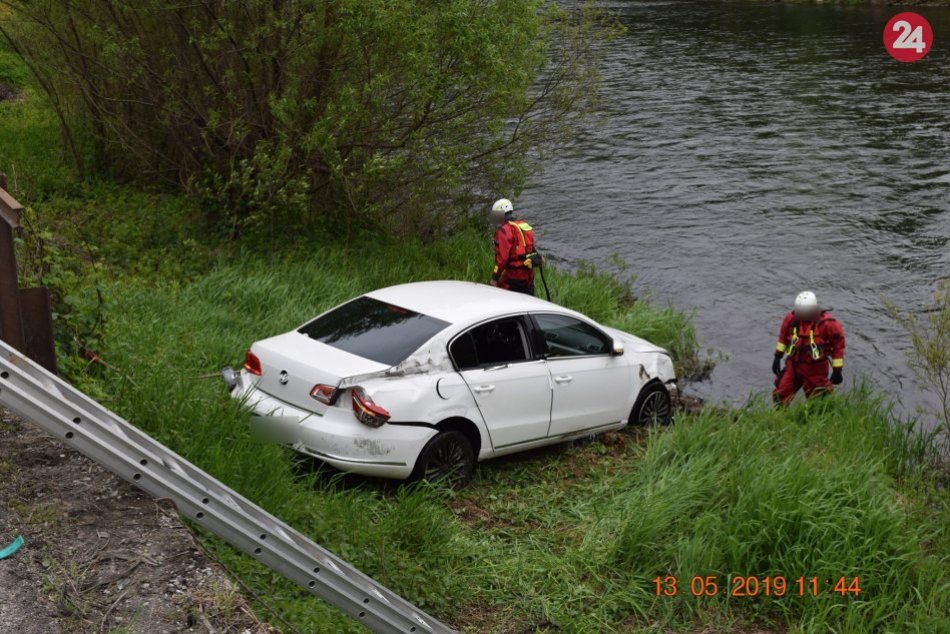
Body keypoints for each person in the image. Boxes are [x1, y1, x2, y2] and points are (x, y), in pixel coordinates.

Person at [772, 290, 846, 406]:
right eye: (799, 310)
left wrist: (837, 370)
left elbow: (838, 346)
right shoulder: (791, 319)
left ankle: (817, 420)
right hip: (793, 365)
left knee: (820, 401)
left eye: (804, 311)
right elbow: (783, 339)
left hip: (815, 368)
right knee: (781, 393)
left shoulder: (828, 324)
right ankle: (779, 418)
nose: (801, 314)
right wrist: (777, 357)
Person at [488, 198, 540, 295]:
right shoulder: (523, 225)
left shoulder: (504, 230)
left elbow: (502, 259)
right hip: (528, 275)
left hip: (514, 276)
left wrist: (494, 278)